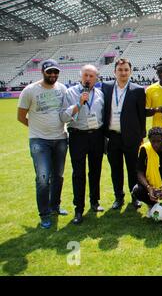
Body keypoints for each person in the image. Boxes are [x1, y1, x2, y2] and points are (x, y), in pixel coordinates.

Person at [17, 59, 69, 229]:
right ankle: (44, 214)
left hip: (60, 138)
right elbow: (20, 116)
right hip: (39, 141)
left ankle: (55, 206)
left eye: (55, 72)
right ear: (43, 72)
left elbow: (65, 112)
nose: (53, 75)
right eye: (49, 72)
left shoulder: (62, 89)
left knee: (58, 176)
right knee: (42, 178)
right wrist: (37, 131)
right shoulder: (30, 90)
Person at [61, 64, 105, 224]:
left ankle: (95, 202)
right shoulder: (70, 92)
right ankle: (78, 209)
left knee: (95, 171)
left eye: (91, 76)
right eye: (85, 75)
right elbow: (64, 117)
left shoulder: (100, 94)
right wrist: (79, 104)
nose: (88, 78)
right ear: (81, 76)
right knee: (78, 173)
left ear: (96, 78)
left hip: (96, 136)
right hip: (77, 136)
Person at [102, 58, 146, 210]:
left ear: (130, 72)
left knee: (133, 169)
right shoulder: (106, 87)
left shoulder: (138, 90)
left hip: (132, 138)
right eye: (120, 70)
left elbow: (141, 116)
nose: (123, 72)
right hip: (113, 136)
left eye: (126, 70)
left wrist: (141, 136)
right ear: (114, 72)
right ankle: (118, 197)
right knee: (116, 169)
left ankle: (135, 196)